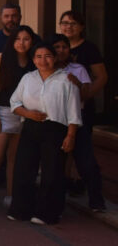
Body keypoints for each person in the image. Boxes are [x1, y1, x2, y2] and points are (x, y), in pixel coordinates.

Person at [8, 42, 81, 225]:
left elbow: (74, 112)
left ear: (55, 58)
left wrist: (70, 136)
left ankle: (47, 213)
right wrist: (28, 114)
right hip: (31, 127)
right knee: (24, 169)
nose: (43, 60)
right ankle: (21, 210)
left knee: (52, 172)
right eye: (38, 57)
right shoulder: (27, 78)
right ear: (33, 59)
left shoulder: (67, 80)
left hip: (56, 129)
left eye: (48, 56)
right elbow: (14, 103)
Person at [0, 25, 36, 217]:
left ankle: (11, 197)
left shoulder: (34, 61)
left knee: (15, 159)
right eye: (18, 39)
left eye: (26, 39)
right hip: (1, 111)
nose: (22, 43)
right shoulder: (0, 59)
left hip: (26, 114)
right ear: (12, 41)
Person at [59, 11, 107, 212]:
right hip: (59, 112)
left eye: (73, 23)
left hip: (82, 108)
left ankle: (84, 185)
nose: (68, 26)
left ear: (81, 27)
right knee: (63, 150)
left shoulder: (89, 49)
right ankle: (68, 182)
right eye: (64, 23)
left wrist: (85, 95)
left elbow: (102, 77)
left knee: (82, 150)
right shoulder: (54, 48)